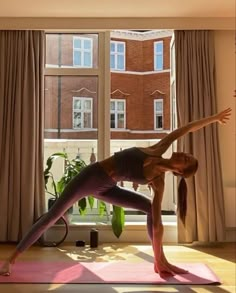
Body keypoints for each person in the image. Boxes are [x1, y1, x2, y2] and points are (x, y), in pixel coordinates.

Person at [0, 107, 232, 278]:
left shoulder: (158, 181)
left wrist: (160, 254)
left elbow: (158, 221)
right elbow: (185, 129)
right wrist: (214, 119)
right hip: (90, 178)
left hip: (108, 188)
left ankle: (160, 262)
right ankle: (11, 260)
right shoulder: (158, 149)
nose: (183, 154)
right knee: (52, 217)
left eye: (186, 159)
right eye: (186, 154)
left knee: (149, 208)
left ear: (181, 171)